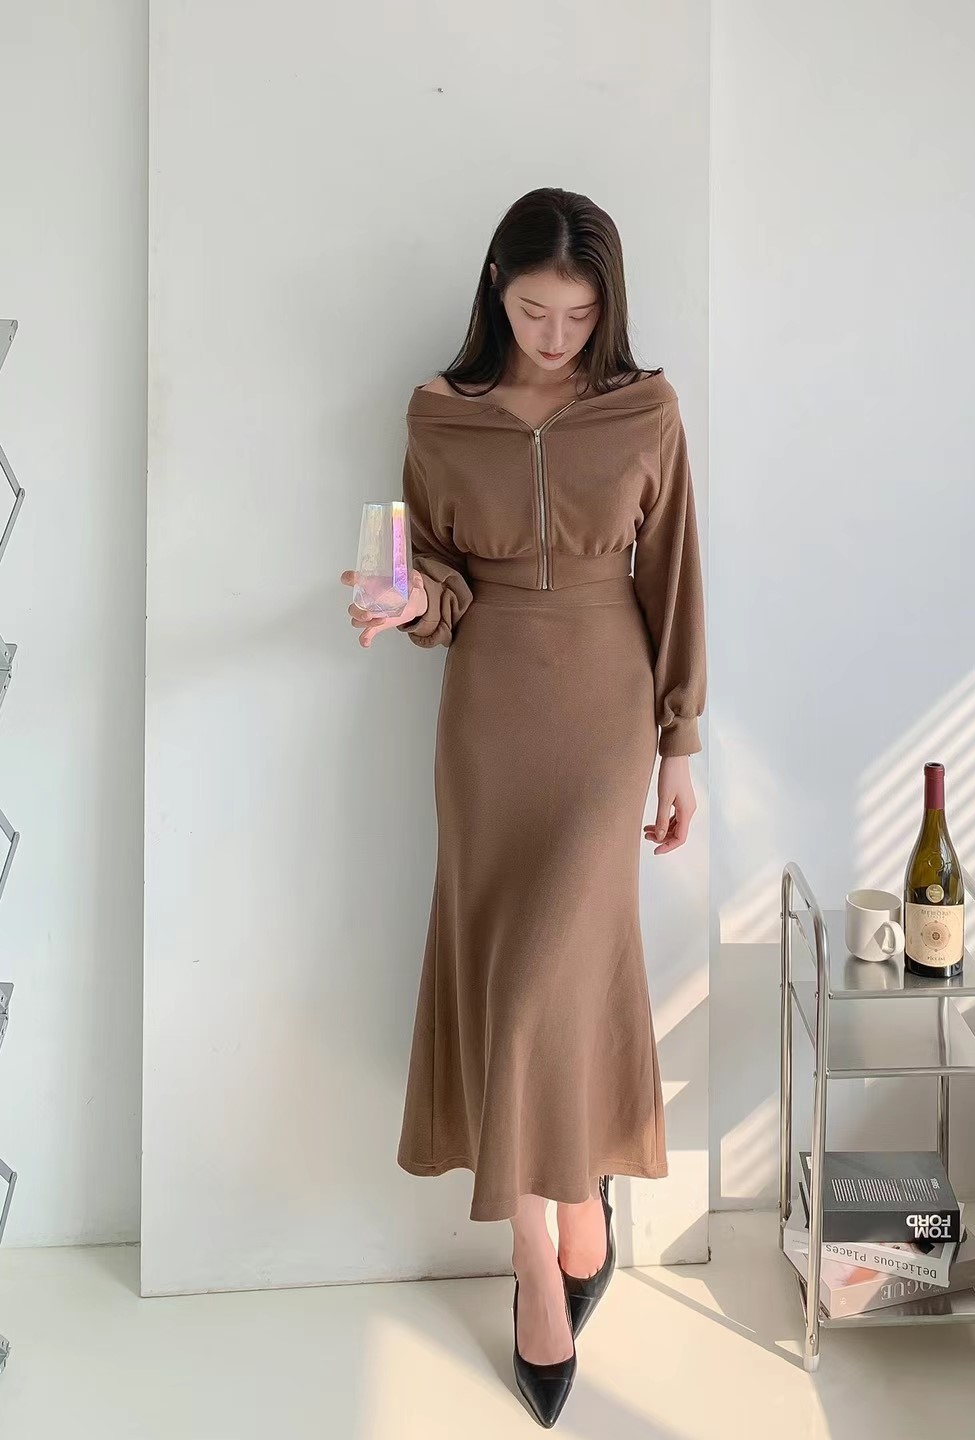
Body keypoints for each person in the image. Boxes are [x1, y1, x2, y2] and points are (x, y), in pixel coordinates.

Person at [340, 186, 706, 1428]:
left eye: (579, 315)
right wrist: (409, 603)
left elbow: (676, 576)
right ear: (497, 286)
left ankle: (561, 1225)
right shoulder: (439, 413)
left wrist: (679, 743)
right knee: (506, 976)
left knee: (556, 972)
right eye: (536, 310)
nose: (555, 337)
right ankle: (545, 1241)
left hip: (606, 712)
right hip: (488, 716)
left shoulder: (645, 409)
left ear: (608, 306)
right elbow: (438, 576)